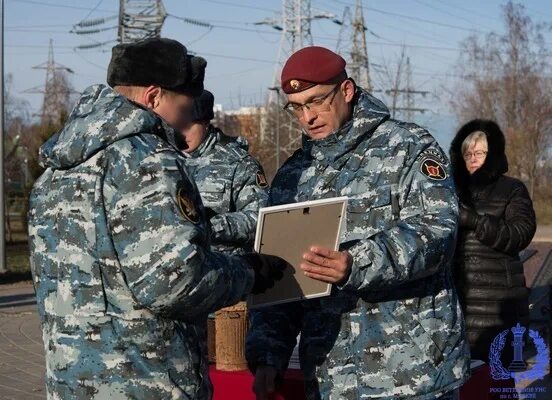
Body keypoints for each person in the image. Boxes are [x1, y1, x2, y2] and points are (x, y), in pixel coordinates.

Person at [28, 37, 284, 400]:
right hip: (146, 383)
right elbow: (176, 284)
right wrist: (248, 272)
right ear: (153, 98)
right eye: (184, 107)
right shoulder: (148, 161)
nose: (184, 123)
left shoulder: (56, 169)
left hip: (72, 383)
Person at [245, 46, 470, 400]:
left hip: (412, 373)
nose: (308, 117)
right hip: (332, 378)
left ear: (346, 91)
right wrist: (268, 354)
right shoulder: (293, 176)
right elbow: (280, 278)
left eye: (317, 101)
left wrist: (356, 263)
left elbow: (438, 231)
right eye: (297, 107)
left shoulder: (408, 146)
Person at [449, 119, 536, 363]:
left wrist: (475, 221)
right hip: (457, 302)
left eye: (479, 152)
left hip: (499, 305)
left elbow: (520, 234)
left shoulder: (512, 189)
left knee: (498, 380)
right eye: (468, 153)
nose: (473, 158)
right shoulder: (450, 189)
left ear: (493, 154)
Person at [182, 89, 269, 254]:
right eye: (177, 125)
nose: (182, 133)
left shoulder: (238, 163)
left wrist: (212, 226)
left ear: (206, 123)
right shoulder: (166, 160)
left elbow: (260, 220)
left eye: (189, 125)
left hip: (226, 269)